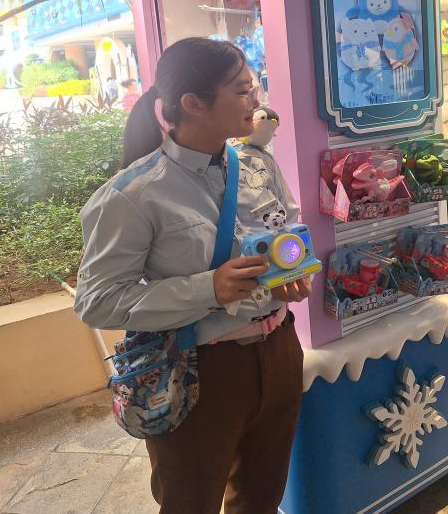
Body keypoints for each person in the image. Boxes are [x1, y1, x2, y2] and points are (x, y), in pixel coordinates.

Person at [74, 37, 311, 514]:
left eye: (253, 86)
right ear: (193, 104)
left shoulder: (258, 164)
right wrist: (208, 288)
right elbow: (96, 301)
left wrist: (294, 274)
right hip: (197, 368)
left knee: (262, 498)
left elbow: (289, 235)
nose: (256, 99)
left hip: (280, 350)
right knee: (190, 502)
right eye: (241, 90)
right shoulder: (133, 195)